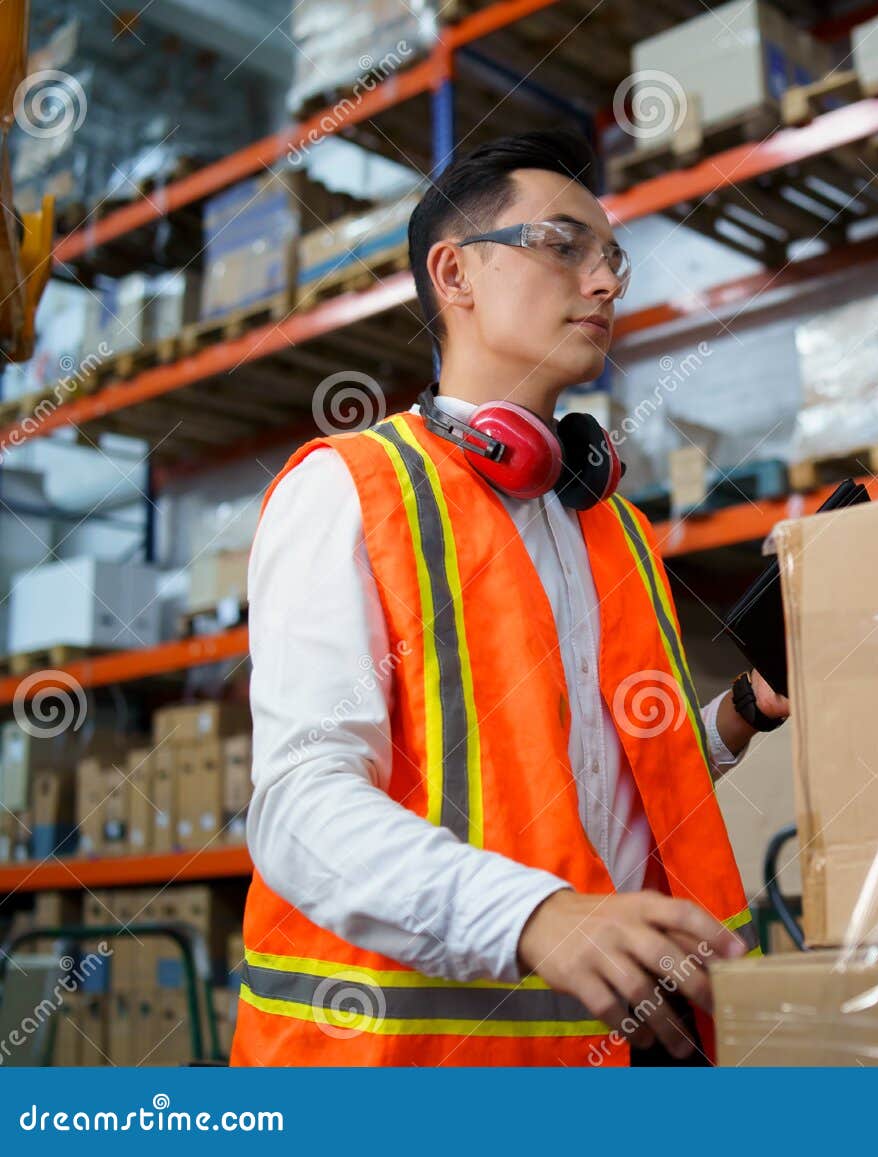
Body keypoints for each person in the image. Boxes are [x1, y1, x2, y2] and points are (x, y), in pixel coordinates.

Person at [231, 131, 790, 1067]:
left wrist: (732, 718)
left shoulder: (607, 524)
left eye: (611, 256)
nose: (605, 281)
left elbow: (598, 782)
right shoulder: (353, 491)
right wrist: (533, 915)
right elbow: (297, 803)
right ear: (455, 273)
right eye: (564, 245)